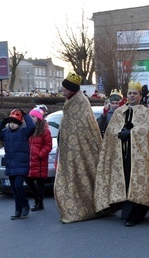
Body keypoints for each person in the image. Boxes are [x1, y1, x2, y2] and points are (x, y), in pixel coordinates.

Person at [94, 81, 149, 227]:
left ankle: (136, 214)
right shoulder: (118, 112)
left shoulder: (146, 113)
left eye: (135, 93)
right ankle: (127, 211)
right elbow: (110, 132)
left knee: (138, 184)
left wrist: (131, 133)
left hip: (140, 157)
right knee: (125, 182)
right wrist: (119, 134)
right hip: (122, 156)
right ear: (126, 95)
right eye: (130, 93)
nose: (132, 96)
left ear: (140, 96)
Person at [54, 71, 103, 223]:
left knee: (82, 178)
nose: (62, 90)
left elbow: (83, 128)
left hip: (80, 150)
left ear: (71, 89)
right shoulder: (70, 101)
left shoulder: (80, 102)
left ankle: (84, 209)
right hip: (69, 150)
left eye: (64, 87)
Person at [0, 108, 35, 220]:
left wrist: (25, 115)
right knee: (14, 189)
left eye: (14, 123)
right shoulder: (5, 133)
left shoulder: (24, 133)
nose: (12, 125)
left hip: (22, 164)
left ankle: (25, 205)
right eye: (10, 122)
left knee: (18, 185)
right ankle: (17, 210)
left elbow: (32, 127)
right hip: (10, 165)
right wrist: (2, 122)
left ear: (19, 124)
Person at [25, 108, 52, 211]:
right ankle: (37, 199)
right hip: (31, 160)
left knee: (40, 183)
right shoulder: (29, 129)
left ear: (39, 118)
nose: (31, 119)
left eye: (33, 117)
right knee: (27, 179)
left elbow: (48, 146)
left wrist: (40, 155)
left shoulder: (45, 130)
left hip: (40, 161)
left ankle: (40, 203)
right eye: (30, 116)